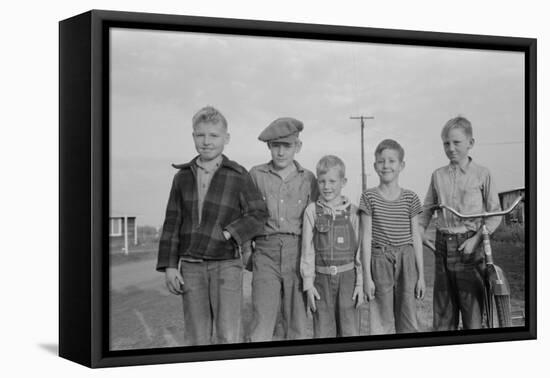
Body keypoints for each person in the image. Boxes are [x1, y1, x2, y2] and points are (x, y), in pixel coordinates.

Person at [156, 106, 267, 345]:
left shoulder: (237, 175)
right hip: (191, 266)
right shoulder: (182, 177)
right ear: (193, 136)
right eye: (200, 135)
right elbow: (172, 222)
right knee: (197, 335)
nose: (206, 142)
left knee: (228, 333)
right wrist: (169, 266)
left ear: (226, 139)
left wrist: (229, 233)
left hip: (226, 265)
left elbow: (258, 214)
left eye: (214, 136)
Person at [419, 116, 501, 331]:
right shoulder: (438, 175)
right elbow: (427, 209)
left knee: (472, 311)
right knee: (443, 313)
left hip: (469, 248)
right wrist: (419, 232)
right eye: (446, 143)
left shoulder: (482, 174)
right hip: (442, 246)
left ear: (470, 143)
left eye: (456, 142)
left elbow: (495, 214)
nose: (451, 148)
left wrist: (476, 240)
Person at [245, 117, 318, 342]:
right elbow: (246, 215)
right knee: (262, 318)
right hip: (265, 251)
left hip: (297, 251)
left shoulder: (308, 179)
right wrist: (247, 250)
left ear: (298, 147)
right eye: (276, 146)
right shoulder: (256, 175)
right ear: (269, 146)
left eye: (287, 146)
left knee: (297, 319)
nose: (281, 152)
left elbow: (315, 221)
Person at [360, 139, 425, 334]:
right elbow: (365, 238)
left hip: (407, 259)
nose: (386, 166)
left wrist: (421, 276)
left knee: (408, 318)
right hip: (380, 260)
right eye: (381, 161)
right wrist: (367, 277)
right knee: (381, 320)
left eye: (391, 161)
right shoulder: (369, 197)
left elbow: (416, 238)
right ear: (375, 166)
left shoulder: (410, 197)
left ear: (401, 165)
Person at [300, 155, 364, 338]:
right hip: (321, 281)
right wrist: (308, 284)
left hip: (348, 280)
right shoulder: (312, 211)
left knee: (350, 330)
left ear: (343, 182)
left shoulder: (353, 212)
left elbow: (359, 251)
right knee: (322, 332)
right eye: (322, 181)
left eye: (332, 181)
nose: (326, 186)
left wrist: (360, 283)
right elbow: (307, 251)